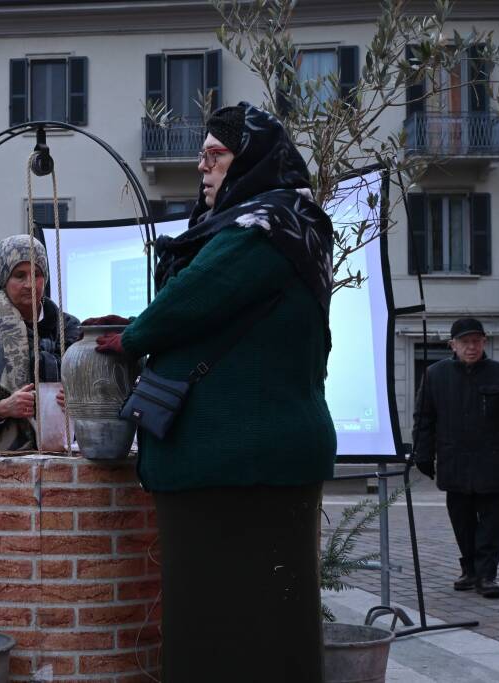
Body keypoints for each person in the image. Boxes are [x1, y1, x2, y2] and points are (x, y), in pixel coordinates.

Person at [96, 103, 336, 682]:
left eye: (216, 155)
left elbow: (189, 299)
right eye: (201, 155)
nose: (202, 168)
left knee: (224, 628)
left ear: (251, 160)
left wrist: (133, 338)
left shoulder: (266, 228)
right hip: (250, 462)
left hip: (236, 466)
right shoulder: (280, 224)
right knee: (262, 624)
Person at [0, 235, 81, 451]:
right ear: (3, 279)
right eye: (19, 275)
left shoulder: (69, 328)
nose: (29, 284)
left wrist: (78, 400)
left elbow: (94, 393)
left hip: (64, 456)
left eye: (36, 275)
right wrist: (1, 408)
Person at [413, 318, 499, 599]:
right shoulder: (435, 375)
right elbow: (424, 418)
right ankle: (469, 569)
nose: (471, 347)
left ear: (484, 343)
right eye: (465, 342)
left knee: (491, 523)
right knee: (462, 521)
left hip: (494, 464)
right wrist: (422, 453)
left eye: (477, 341)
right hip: (454, 463)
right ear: (452, 345)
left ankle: (487, 575)